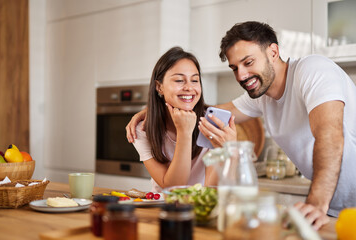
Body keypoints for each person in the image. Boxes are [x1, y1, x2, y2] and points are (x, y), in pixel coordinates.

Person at [126, 22, 356, 229]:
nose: (242, 75)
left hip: (325, 203)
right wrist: (155, 108)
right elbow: (205, 110)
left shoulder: (313, 70)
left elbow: (329, 135)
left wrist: (316, 202)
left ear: (273, 52)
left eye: (248, 62)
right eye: (235, 68)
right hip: (335, 208)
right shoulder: (262, 97)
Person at [131, 47, 236, 193]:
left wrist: (225, 152)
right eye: (179, 80)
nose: (189, 87)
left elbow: (211, 189)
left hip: (200, 206)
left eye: (195, 80)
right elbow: (173, 188)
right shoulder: (142, 129)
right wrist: (184, 132)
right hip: (163, 208)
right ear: (159, 87)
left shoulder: (212, 124)